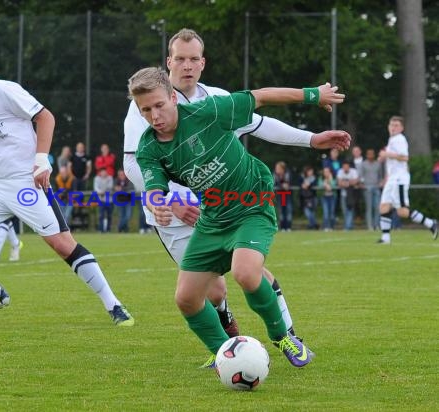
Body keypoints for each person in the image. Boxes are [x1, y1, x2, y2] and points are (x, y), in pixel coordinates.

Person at [124, 28, 350, 368]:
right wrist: (162, 200)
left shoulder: (211, 105)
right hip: (206, 216)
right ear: (169, 62)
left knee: (246, 272)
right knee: (190, 297)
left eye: (193, 59)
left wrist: (312, 103)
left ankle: (284, 336)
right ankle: (226, 355)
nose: (153, 116)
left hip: (248, 202)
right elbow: (147, 172)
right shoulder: (147, 137)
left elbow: (260, 108)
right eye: (146, 111)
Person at [0, 45, 134, 326]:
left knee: (62, 244)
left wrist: (41, 160)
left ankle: (114, 304)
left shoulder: (2, 90)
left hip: (24, 181)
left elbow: (45, 117)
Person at [377, 115, 438, 243]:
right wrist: (386, 177)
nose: (393, 127)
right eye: (391, 125)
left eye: (396, 125)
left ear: (402, 128)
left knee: (402, 211)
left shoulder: (399, 139)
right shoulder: (392, 139)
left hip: (399, 179)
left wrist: (386, 154)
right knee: (383, 206)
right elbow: (394, 162)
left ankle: (431, 223)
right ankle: (385, 238)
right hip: (392, 179)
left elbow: (405, 157)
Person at [359, 148, 384, 230]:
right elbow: (361, 176)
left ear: (374, 155)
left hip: (376, 187)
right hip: (367, 188)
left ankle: (376, 225)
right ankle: (370, 226)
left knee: (377, 208)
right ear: (366, 155)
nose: (370, 155)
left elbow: (380, 176)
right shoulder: (363, 164)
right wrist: (362, 184)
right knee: (368, 208)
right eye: (369, 154)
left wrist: (380, 183)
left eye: (372, 154)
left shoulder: (378, 164)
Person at [337, 160, 359, 230]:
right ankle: (349, 226)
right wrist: (350, 183)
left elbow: (356, 181)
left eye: (347, 167)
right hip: (343, 194)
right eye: (344, 167)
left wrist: (346, 183)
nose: (345, 168)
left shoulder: (354, 171)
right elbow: (339, 183)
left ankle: (347, 227)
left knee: (350, 210)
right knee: (344, 211)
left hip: (351, 194)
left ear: (349, 167)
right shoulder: (340, 171)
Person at [273, 161, 293, 231]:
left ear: (282, 169)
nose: (276, 169)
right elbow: (274, 183)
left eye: (278, 168)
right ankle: (282, 227)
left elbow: (290, 183)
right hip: (280, 195)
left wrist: (286, 185)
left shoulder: (288, 173)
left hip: (287, 195)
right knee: (281, 211)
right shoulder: (275, 175)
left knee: (288, 211)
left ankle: (288, 227)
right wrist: (282, 185)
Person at [113, 168, 134, 233]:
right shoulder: (116, 181)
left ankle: (119, 227)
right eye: (120, 174)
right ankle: (124, 230)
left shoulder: (129, 180)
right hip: (119, 201)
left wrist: (121, 189)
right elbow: (114, 188)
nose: (121, 176)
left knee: (128, 216)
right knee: (122, 216)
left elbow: (131, 188)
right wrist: (116, 188)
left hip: (128, 201)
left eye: (122, 174)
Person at [94, 167, 114, 233]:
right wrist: (101, 192)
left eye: (104, 172)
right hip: (101, 200)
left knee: (109, 215)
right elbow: (96, 188)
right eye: (102, 172)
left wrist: (102, 191)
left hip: (109, 200)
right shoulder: (97, 179)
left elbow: (110, 187)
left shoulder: (110, 178)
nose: (103, 173)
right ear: (100, 173)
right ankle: (101, 229)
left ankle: (108, 229)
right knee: (101, 215)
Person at [299, 165, 319, 230]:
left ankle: (312, 225)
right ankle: (314, 224)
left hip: (312, 197)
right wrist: (302, 185)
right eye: (310, 171)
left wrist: (309, 185)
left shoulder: (314, 178)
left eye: (312, 171)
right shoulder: (302, 177)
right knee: (307, 212)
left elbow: (315, 185)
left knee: (312, 212)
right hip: (304, 198)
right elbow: (298, 183)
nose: (311, 172)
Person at [318, 166, 337, 231]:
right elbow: (320, 185)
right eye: (325, 172)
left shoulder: (333, 178)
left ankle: (331, 227)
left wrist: (330, 181)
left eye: (327, 171)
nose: (326, 173)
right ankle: (326, 227)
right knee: (326, 213)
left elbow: (334, 185)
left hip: (332, 197)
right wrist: (325, 184)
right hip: (324, 197)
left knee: (332, 213)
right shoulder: (321, 178)